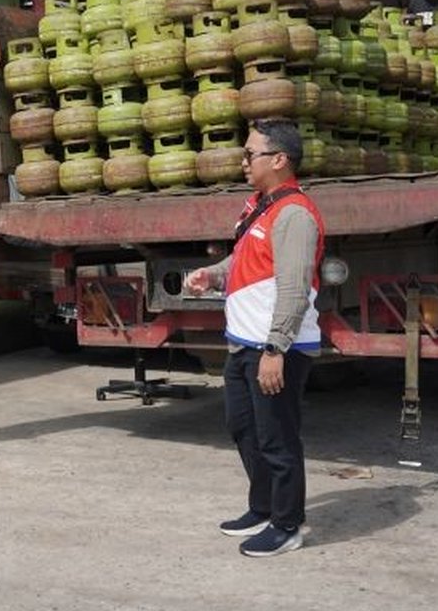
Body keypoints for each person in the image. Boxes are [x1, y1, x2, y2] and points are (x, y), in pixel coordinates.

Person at [184, 118, 324, 558]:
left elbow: (294, 286)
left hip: (275, 348)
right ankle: (263, 507)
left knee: (278, 439)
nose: (243, 162)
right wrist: (214, 275)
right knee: (243, 428)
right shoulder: (261, 205)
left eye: (251, 154)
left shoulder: (294, 214)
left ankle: (287, 525)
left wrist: (275, 349)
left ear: (279, 160)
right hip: (243, 343)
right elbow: (244, 259)